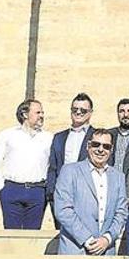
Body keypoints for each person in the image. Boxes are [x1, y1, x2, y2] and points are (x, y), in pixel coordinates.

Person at [54, 128, 128, 255]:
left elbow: (121, 212)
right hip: (75, 250)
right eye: (96, 144)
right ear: (88, 146)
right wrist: (87, 239)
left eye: (106, 146)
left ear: (111, 150)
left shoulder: (118, 177)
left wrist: (107, 239)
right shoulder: (69, 171)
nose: (100, 149)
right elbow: (63, 210)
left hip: (106, 252)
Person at [0, 99, 53, 229]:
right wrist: (1, 187)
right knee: (11, 235)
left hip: (37, 191)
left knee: (33, 236)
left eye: (42, 113)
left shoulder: (49, 138)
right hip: (11, 190)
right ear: (25, 114)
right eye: (38, 112)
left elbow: (52, 165)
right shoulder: (7, 135)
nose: (42, 116)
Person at [47, 93, 95, 226]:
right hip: (61, 195)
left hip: (86, 196)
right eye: (75, 109)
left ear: (90, 113)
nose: (78, 112)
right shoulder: (59, 137)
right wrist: (51, 193)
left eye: (83, 110)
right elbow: (53, 166)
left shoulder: (96, 137)